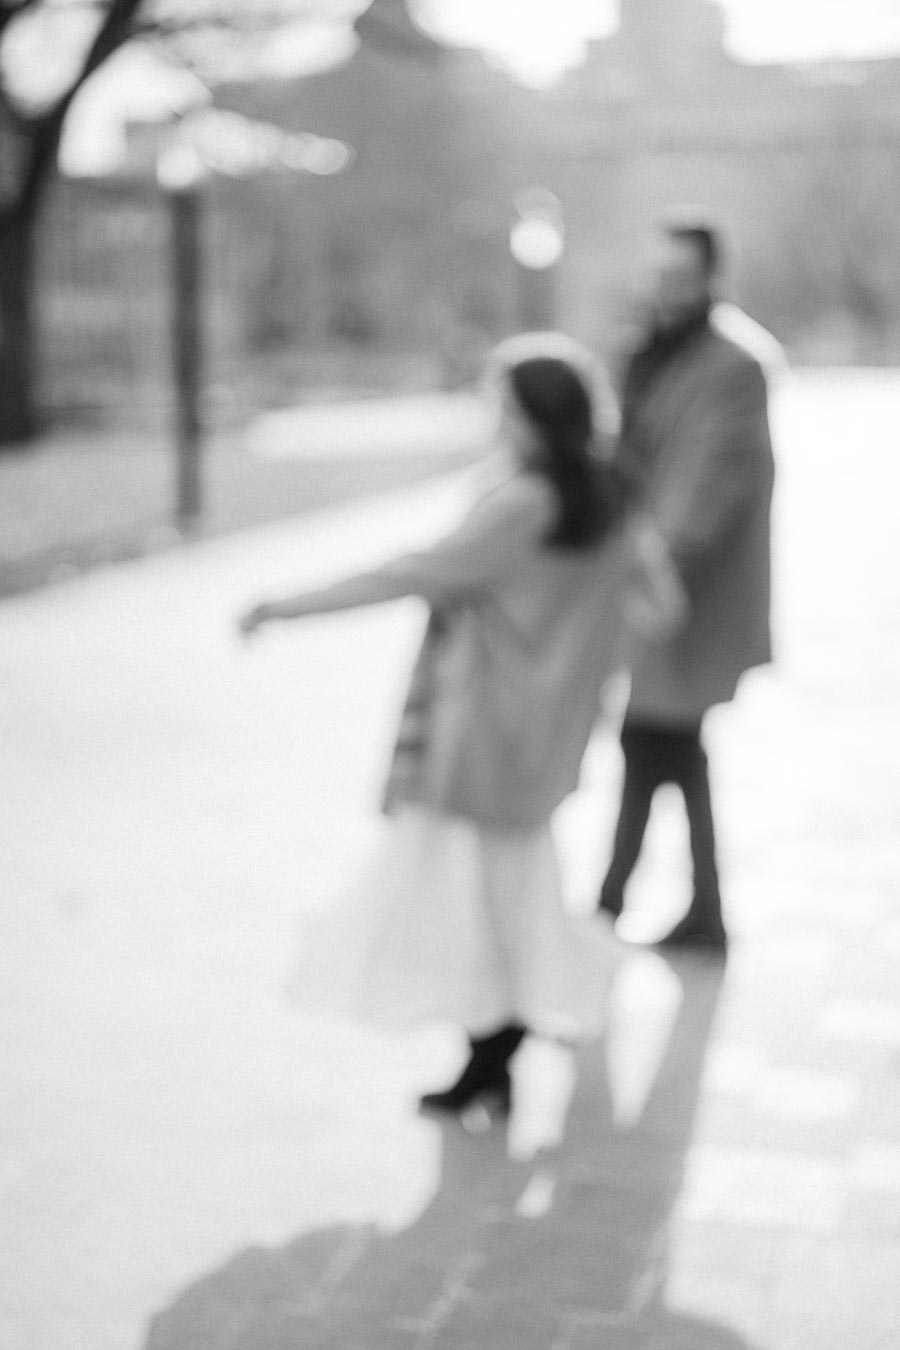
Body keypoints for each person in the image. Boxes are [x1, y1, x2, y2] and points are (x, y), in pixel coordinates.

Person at [239, 332, 684, 1117]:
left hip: (478, 736)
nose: (491, 419)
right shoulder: (611, 501)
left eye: (499, 406)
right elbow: (662, 608)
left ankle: (512, 1035)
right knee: (509, 898)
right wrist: (578, 642)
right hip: (545, 741)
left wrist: (281, 606)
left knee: (475, 906)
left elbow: (410, 573)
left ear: (528, 417)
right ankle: (497, 1052)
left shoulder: (521, 504)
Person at [597, 211, 779, 952]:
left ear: (711, 278)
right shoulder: (651, 352)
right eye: (657, 274)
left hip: (687, 594)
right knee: (667, 745)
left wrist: (656, 571)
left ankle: (615, 904)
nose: (665, 289)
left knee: (652, 737)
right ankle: (694, 908)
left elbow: (706, 487)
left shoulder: (733, 363)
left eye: (680, 276)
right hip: (658, 583)